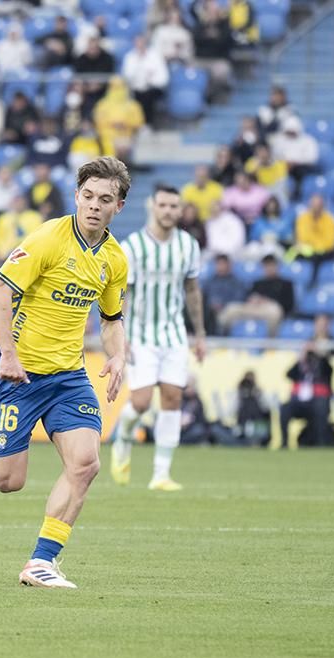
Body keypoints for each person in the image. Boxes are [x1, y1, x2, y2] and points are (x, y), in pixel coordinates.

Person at [0, 156, 131, 589]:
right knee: (8, 482)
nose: (94, 206)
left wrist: (118, 355)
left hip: (68, 377)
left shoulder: (114, 259)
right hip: (19, 375)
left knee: (86, 463)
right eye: (88, 196)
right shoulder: (47, 239)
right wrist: (9, 355)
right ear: (77, 196)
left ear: (119, 206)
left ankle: (41, 562)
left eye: (105, 199)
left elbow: (111, 318)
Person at [110, 185, 206, 491]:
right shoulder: (133, 247)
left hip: (174, 334)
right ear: (152, 206)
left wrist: (200, 333)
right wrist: (119, 335)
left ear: (180, 210)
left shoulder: (188, 245)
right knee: (139, 402)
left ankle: (161, 474)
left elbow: (192, 289)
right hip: (140, 335)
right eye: (163, 204)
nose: (168, 211)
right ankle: (122, 439)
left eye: (173, 206)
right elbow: (121, 294)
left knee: (173, 398)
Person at [279, 344, 334, 448]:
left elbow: (330, 370)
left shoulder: (322, 365)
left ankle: (321, 442)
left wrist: (319, 356)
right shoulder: (301, 366)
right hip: (300, 403)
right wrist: (301, 359)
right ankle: (284, 442)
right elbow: (288, 374)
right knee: (285, 408)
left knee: (321, 406)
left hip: (316, 401)